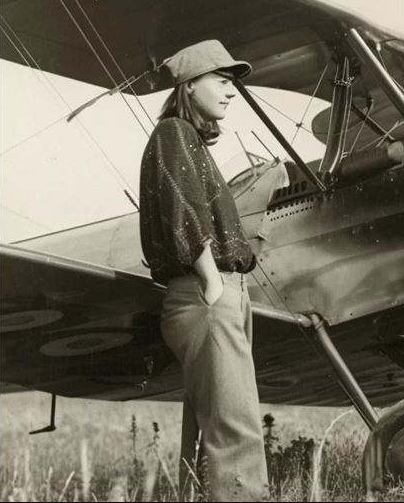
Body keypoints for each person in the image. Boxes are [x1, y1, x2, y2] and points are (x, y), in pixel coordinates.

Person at [139, 40, 268, 500]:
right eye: (222, 81)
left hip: (213, 293)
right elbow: (184, 213)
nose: (231, 92)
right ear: (190, 86)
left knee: (211, 428)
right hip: (206, 293)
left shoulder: (185, 138)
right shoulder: (174, 133)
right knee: (236, 427)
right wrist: (214, 285)